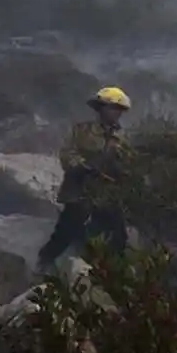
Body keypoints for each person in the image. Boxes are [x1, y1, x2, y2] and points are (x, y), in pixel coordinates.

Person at [36, 87, 132, 271]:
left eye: (119, 110)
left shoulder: (122, 139)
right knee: (66, 230)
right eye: (112, 108)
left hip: (107, 194)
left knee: (117, 235)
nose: (116, 113)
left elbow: (128, 165)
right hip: (78, 191)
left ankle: (112, 274)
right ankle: (43, 264)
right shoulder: (81, 131)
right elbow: (66, 153)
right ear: (101, 109)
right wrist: (82, 166)